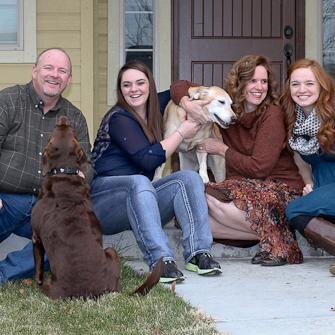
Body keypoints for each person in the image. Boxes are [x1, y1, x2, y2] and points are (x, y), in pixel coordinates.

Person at [90, 60, 222, 283]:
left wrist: (188, 105)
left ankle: (198, 253)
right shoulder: (118, 118)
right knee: (139, 181)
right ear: (120, 90)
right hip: (105, 202)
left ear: (149, 86)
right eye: (127, 85)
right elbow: (147, 159)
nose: (134, 90)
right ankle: (160, 260)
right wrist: (181, 132)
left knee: (189, 178)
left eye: (140, 83)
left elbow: (179, 86)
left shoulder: (156, 106)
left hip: (141, 200)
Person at [170, 55, 305, 266]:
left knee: (206, 200)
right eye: (252, 80)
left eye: (264, 81)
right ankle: (276, 235)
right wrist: (188, 104)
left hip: (279, 190)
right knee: (187, 214)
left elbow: (259, 169)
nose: (259, 87)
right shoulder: (227, 108)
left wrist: (221, 149)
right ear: (239, 83)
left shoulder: (272, 115)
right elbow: (180, 86)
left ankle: (278, 233)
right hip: (247, 190)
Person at [0, 48, 92, 285]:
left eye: (62, 71)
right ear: (34, 72)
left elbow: (87, 166)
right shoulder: (9, 101)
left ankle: (4, 273)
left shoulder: (75, 117)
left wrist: (79, 179)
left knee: (72, 238)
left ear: (69, 80)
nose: (55, 75)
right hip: (5, 202)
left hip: (47, 207)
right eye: (48, 68)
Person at [281, 59, 335, 275]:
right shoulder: (295, 119)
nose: (302, 90)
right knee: (303, 211)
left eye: (309, 84)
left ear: (322, 86)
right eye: (295, 84)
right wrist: (309, 183)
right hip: (325, 187)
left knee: (295, 209)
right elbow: (301, 159)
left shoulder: (332, 114)